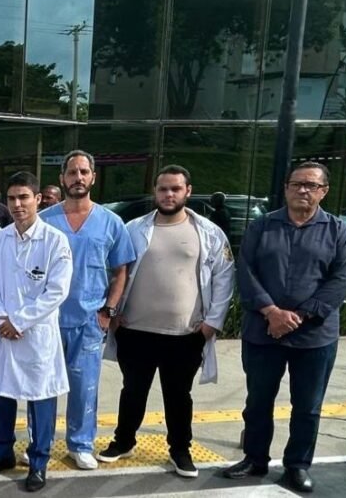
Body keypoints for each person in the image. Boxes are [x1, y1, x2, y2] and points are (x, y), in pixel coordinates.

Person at [223, 162, 346, 493]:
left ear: (324, 191)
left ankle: (297, 465)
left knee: (307, 406)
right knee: (258, 401)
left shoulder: (338, 231)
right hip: (263, 332)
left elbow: (341, 281)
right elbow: (245, 271)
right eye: (296, 184)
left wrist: (299, 316)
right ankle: (255, 458)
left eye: (311, 185)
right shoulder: (262, 227)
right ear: (286, 188)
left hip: (315, 337)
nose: (303, 190)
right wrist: (271, 312)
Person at [99, 165, 235, 478]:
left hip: (185, 334)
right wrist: (113, 312)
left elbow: (224, 277)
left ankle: (180, 449)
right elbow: (116, 271)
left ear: (188, 191)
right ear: (155, 191)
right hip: (135, 330)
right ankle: (123, 441)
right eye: (163, 189)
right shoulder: (134, 228)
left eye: (175, 189)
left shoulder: (209, 233)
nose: (169, 194)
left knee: (178, 396)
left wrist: (212, 323)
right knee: (132, 391)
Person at [40, 150, 135, 470]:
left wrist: (108, 311)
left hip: (89, 320)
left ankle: (80, 444)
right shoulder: (45, 220)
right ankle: (40, 443)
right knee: (44, 386)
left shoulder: (111, 222)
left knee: (84, 388)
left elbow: (121, 271)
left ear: (93, 177)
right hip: (48, 320)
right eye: (72, 172)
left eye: (84, 172)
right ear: (61, 178)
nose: (78, 178)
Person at [0, 171, 72, 493]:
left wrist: (19, 321)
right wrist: (2, 318)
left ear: (38, 199)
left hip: (35, 334)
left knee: (40, 397)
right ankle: (2, 453)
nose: (17, 205)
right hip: (4, 330)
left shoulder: (55, 241)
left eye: (24, 197)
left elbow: (57, 291)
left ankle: (38, 462)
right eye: (12, 198)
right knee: (3, 393)